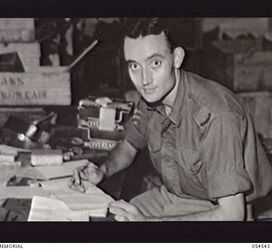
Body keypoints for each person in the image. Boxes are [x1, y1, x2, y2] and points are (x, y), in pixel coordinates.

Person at [69, 18, 272, 221]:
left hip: (218, 210)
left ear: (177, 58)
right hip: (173, 198)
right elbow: (129, 146)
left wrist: (149, 224)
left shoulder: (216, 115)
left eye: (155, 63)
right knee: (108, 219)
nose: (144, 80)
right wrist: (102, 170)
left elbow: (232, 215)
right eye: (134, 66)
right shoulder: (152, 96)